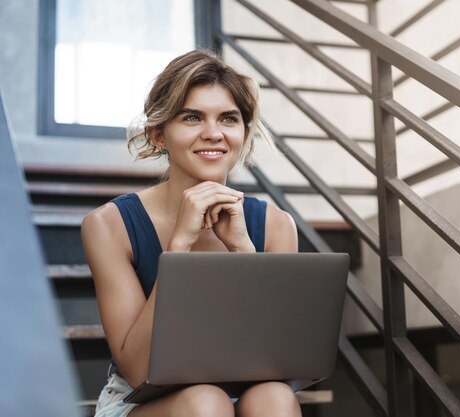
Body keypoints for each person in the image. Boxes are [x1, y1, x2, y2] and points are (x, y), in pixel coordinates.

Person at [81, 49, 301, 417]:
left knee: (276, 398)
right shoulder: (109, 224)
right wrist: (179, 246)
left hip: (243, 389)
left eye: (229, 119)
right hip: (144, 401)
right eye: (192, 117)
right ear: (158, 135)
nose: (213, 134)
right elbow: (138, 371)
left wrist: (244, 252)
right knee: (205, 403)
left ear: (244, 134)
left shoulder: (277, 225)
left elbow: (282, 363)